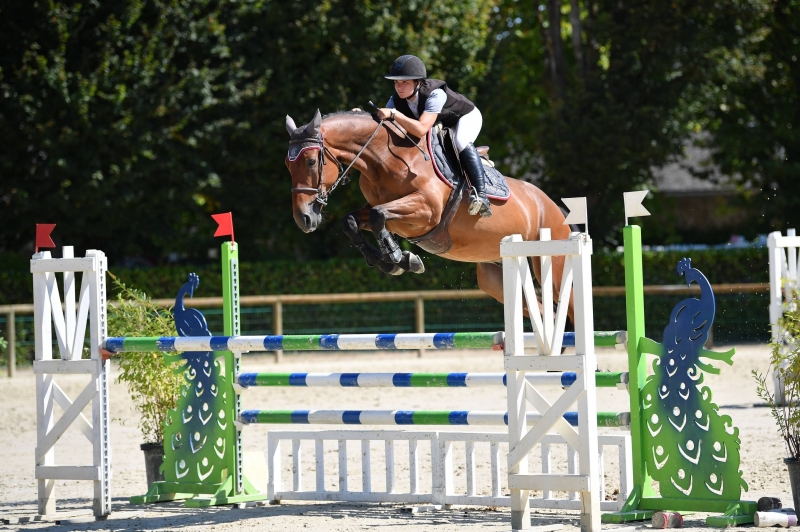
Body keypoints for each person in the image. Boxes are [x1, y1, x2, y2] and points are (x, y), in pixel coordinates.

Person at [375, 55, 492, 217]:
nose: (398, 87)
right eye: (396, 82)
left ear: (418, 82)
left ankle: (481, 195)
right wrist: (364, 117)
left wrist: (394, 114)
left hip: (465, 117)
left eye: (404, 82)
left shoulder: (434, 94)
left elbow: (421, 128)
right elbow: (385, 123)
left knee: (460, 140)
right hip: (440, 123)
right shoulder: (395, 100)